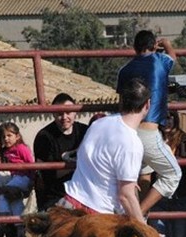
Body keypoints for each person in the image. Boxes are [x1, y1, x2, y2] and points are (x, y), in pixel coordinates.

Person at [58, 77, 151, 220]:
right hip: (97, 215)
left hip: (69, 203)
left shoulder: (98, 124)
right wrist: (144, 228)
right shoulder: (132, 143)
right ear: (147, 105)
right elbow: (125, 196)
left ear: (121, 102)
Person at [116, 30, 182, 215]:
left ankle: (138, 219)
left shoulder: (125, 69)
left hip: (127, 131)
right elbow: (173, 58)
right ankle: (138, 216)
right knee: (173, 174)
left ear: (134, 48)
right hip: (148, 131)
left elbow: (121, 102)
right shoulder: (159, 61)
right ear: (154, 46)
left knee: (144, 172)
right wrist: (167, 43)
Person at [33, 93, 89, 211]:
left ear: (75, 112)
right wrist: (80, 163)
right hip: (55, 197)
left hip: (84, 195)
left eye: (68, 112)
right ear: (53, 113)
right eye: (59, 113)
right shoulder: (44, 137)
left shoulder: (85, 131)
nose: (64, 117)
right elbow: (48, 175)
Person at [0, 122, 34, 237]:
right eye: (3, 136)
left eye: (9, 135)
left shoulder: (21, 148)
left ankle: (3, 222)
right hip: (15, 178)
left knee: (2, 195)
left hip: (23, 177)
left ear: (17, 136)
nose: (6, 139)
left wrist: (31, 181)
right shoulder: (6, 151)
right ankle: (20, 229)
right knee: (15, 201)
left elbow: (31, 164)